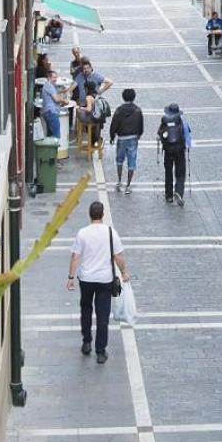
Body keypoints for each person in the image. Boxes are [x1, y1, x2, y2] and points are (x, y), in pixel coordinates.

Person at [66, 201, 129, 365]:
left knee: (85, 309)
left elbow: (75, 257)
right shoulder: (110, 232)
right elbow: (118, 257)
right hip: (104, 279)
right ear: (102, 215)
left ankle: (86, 342)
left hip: (86, 279)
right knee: (103, 316)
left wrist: (71, 278)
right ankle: (100, 351)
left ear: (89, 214)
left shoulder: (82, 233)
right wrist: (123, 272)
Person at [109, 88, 144, 194]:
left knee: (119, 160)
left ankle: (119, 181)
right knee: (131, 162)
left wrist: (112, 136)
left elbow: (114, 124)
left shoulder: (119, 110)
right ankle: (128, 185)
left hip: (121, 138)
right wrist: (138, 135)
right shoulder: (137, 110)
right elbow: (141, 126)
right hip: (133, 138)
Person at [157, 101, 192, 205]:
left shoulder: (165, 121)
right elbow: (188, 138)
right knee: (180, 173)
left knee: (168, 172)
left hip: (168, 151)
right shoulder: (183, 122)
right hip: (180, 151)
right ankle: (179, 192)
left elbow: (159, 135)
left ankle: (169, 196)